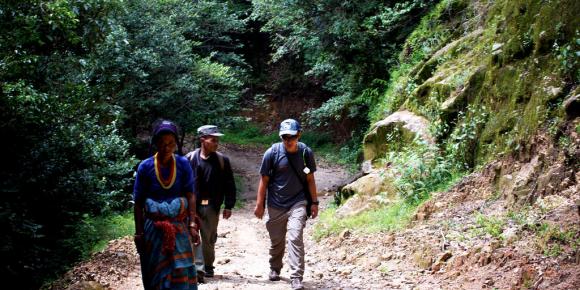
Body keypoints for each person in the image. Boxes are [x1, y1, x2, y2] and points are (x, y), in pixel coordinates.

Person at [133, 120, 200, 290]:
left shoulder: (183, 164)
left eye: (170, 143)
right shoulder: (145, 166)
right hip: (153, 230)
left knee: (180, 270)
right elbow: (138, 203)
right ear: (155, 143)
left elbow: (191, 195)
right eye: (162, 143)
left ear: (176, 144)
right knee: (155, 272)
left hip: (179, 227)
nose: (166, 147)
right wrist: (139, 233)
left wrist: (192, 224)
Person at [254, 118, 319, 290]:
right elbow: (264, 180)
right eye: (284, 137)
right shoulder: (272, 153)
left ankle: (296, 277)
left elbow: (310, 179)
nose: (288, 140)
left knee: (295, 236)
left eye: (291, 136)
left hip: (298, 202)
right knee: (277, 242)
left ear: (299, 134)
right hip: (276, 204)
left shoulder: (306, 153)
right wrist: (260, 204)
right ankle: (275, 268)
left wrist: (314, 202)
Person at [186, 125, 236, 282]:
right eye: (213, 140)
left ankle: (208, 266)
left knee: (209, 237)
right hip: (191, 207)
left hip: (212, 206)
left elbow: (229, 184)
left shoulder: (222, 161)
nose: (216, 143)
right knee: (193, 235)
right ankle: (196, 268)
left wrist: (228, 205)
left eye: (217, 140)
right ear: (203, 140)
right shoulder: (189, 159)